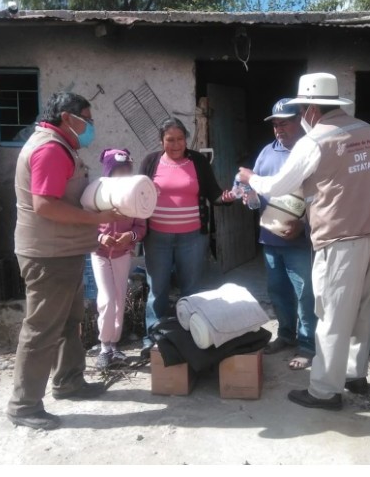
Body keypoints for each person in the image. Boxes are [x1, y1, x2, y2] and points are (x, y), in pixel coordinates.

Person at [235, 73, 370, 410]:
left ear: (308, 110)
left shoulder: (315, 141)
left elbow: (277, 185)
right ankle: (354, 376)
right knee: (362, 309)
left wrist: (251, 178)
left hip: (340, 238)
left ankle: (324, 391)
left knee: (333, 313)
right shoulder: (366, 131)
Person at [7, 91, 120, 430]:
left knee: (69, 322)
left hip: (63, 252)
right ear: (68, 118)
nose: (91, 125)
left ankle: (69, 382)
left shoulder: (61, 146)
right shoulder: (51, 149)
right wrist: (99, 218)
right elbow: (46, 206)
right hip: (48, 256)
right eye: (87, 117)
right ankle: (24, 405)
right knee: (42, 328)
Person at [138, 118, 235, 352]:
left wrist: (227, 198)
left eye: (180, 139)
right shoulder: (151, 161)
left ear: (186, 139)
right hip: (157, 238)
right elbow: (138, 195)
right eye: (170, 140)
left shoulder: (198, 161)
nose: (175, 144)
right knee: (158, 290)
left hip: (192, 238)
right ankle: (153, 335)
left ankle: (191, 334)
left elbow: (213, 193)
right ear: (161, 141)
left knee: (191, 289)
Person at [243, 99, 317, 370]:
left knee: (305, 294)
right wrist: (247, 194)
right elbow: (255, 186)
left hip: (299, 240)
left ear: (300, 119)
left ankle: (308, 346)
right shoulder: (267, 153)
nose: (278, 129)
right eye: (275, 124)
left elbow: (323, 196)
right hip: (271, 238)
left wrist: (304, 225)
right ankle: (286, 335)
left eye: (283, 122)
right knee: (278, 291)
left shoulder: (312, 151)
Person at [91, 148, 146, 370]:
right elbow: (86, 223)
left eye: (127, 170)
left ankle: (114, 344)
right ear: (109, 172)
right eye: (118, 170)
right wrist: (100, 237)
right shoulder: (97, 194)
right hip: (100, 254)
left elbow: (141, 227)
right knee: (106, 299)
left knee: (120, 299)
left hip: (123, 254)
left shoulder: (134, 195)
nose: (123, 174)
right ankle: (104, 346)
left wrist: (129, 237)